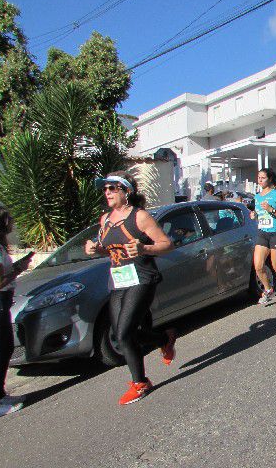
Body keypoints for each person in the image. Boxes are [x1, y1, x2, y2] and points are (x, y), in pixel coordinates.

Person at [85, 172, 176, 405]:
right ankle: (163, 339)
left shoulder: (140, 217)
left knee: (125, 332)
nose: (107, 193)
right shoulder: (105, 219)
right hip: (118, 280)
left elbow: (167, 244)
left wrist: (144, 249)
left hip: (142, 278)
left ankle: (140, 383)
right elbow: (111, 249)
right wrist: (96, 250)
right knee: (119, 334)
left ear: (127, 192)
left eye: (112, 188)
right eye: (105, 189)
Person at [0, 206, 33, 419]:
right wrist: (19, 269)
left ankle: (0, 394)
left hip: (1, 301)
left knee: (5, 348)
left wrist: (18, 265)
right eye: (8, 219)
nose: (12, 221)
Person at [250, 168, 276, 304]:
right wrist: (254, 215)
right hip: (263, 233)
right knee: (258, 266)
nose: (260, 180)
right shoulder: (257, 197)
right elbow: (259, 215)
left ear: (269, 179)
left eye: (263, 178)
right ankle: (269, 290)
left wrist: (271, 209)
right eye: (258, 177)